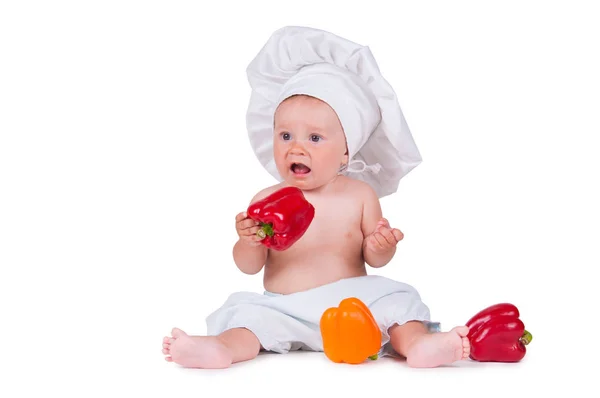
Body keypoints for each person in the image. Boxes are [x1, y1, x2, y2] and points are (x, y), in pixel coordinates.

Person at [162, 26, 470, 369]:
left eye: (315, 138)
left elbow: (375, 260)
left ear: (346, 153)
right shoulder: (267, 198)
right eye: (286, 135)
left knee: (398, 301)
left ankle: (418, 344)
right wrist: (248, 241)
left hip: (354, 306)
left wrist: (381, 246)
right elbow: (248, 267)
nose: (296, 147)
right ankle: (219, 349)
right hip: (284, 307)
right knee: (246, 315)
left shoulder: (360, 196)